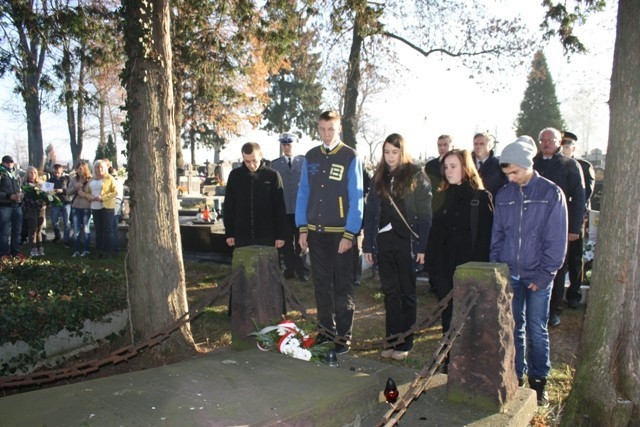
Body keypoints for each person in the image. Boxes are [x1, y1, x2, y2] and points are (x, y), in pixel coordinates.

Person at [490, 136, 567, 405]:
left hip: (538, 276)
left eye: (515, 172)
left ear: (528, 165)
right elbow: (497, 235)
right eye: (507, 173)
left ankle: (539, 381)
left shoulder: (550, 193)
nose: (511, 178)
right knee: (514, 328)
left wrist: (545, 274)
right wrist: (498, 268)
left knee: (537, 329)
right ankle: (517, 376)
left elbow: (556, 239)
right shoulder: (504, 195)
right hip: (510, 274)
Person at [295, 110, 364, 355]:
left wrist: (350, 233)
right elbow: (303, 193)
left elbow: (357, 198)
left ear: (339, 129)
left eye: (330, 129)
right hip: (316, 232)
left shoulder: (349, 156)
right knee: (321, 284)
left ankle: (343, 337)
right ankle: (326, 331)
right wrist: (302, 228)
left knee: (342, 286)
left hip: (341, 233)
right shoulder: (311, 156)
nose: (326, 134)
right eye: (322, 129)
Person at [363, 133, 432, 360]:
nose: (390, 157)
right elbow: (372, 211)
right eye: (386, 152)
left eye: (394, 152)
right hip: (384, 240)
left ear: (402, 152)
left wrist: (422, 246)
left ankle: (405, 341)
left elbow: (425, 213)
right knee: (390, 291)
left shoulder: (415, 174)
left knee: (407, 291)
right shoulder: (379, 176)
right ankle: (391, 338)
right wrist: (369, 245)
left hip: (407, 240)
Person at [425, 149, 493, 338]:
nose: (448, 171)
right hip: (443, 271)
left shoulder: (480, 197)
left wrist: (478, 273)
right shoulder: (443, 196)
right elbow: (435, 234)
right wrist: (432, 268)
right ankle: (448, 361)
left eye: (453, 166)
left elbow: (484, 240)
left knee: (468, 322)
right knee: (448, 318)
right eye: (446, 167)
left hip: (468, 271)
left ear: (465, 167)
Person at [533, 127, 585, 326]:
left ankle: (553, 310)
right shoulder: (533, 163)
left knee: (557, 268)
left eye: (551, 140)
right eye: (543, 139)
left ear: (559, 142)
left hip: (559, 225)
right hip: (534, 225)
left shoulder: (569, 164)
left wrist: (574, 228)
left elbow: (579, 197)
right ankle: (535, 308)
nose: (546, 143)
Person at [224, 142, 286, 248]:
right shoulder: (235, 176)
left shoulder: (273, 175)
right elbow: (229, 205)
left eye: (254, 160)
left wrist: (280, 235)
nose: (251, 165)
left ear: (261, 155)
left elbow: (279, 207)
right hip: (241, 235)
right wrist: (229, 233)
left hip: (266, 235)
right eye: (247, 161)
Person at [560, 131, 595, 308]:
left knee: (574, 257)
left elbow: (586, 192)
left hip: (575, 216)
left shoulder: (583, 165)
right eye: (562, 145)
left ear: (573, 148)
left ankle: (574, 293)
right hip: (558, 216)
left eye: (567, 146)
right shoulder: (555, 164)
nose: (564, 149)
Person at [270, 133, 309, 280]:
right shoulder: (275, 164)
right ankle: (289, 269)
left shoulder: (304, 162)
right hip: (284, 210)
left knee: (302, 242)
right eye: (284, 145)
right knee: (286, 242)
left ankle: (303, 270)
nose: (286, 147)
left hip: (300, 211)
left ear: (295, 145)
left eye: (289, 144)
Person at [84, 160, 118, 257]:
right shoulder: (92, 179)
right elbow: (86, 192)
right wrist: (89, 196)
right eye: (97, 167)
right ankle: (99, 250)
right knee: (98, 229)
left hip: (106, 207)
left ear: (105, 168)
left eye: (101, 167)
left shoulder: (109, 178)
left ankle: (109, 251)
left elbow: (115, 192)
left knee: (108, 229)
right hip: (95, 207)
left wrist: (102, 198)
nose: (99, 169)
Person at [0, 155, 24, 258]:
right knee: (4, 231)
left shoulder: (16, 175)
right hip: (5, 207)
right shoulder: (1, 174)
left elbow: (21, 188)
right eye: (7, 162)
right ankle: (4, 253)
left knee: (17, 231)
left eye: (11, 162)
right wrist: (10, 196)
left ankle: (15, 252)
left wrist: (21, 195)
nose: (10, 164)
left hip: (17, 206)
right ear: (3, 163)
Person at [67, 161, 92, 257]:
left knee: (86, 228)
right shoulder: (74, 179)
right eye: (78, 168)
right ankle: (76, 250)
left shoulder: (90, 180)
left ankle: (86, 250)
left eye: (81, 168)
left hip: (86, 207)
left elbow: (93, 193)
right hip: (75, 207)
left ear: (85, 169)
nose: (79, 170)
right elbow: (68, 192)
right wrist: (75, 187)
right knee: (76, 229)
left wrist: (84, 194)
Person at [472, 132, 507, 198]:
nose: (478, 146)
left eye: (482, 144)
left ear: (490, 146)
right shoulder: (466, 164)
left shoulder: (499, 165)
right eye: (475, 144)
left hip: (491, 204)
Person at [22, 166, 48, 257]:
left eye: (34, 173)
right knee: (33, 229)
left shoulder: (40, 184)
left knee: (39, 229)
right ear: (27, 174)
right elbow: (26, 199)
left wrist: (45, 201)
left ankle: (40, 248)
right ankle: (33, 249)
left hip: (41, 209)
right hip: (31, 209)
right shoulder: (25, 185)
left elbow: (46, 195)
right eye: (31, 173)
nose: (33, 175)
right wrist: (38, 202)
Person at [46, 164, 71, 247]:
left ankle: (66, 240)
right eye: (55, 172)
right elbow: (46, 191)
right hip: (55, 203)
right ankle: (57, 234)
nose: (57, 174)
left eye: (58, 172)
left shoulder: (67, 179)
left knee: (66, 222)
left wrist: (62, 190)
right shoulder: (50, 180)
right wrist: (51, 193)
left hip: (66, 202)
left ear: (62, 171)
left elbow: (71, 189)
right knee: (54, 221)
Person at [109, 166, 125, 252]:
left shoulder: (111, 180)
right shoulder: (119, 181)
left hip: (112, 203)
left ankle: (114, 247)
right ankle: (115, 247)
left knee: (112, 227)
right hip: (117, 203)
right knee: (114, 226)